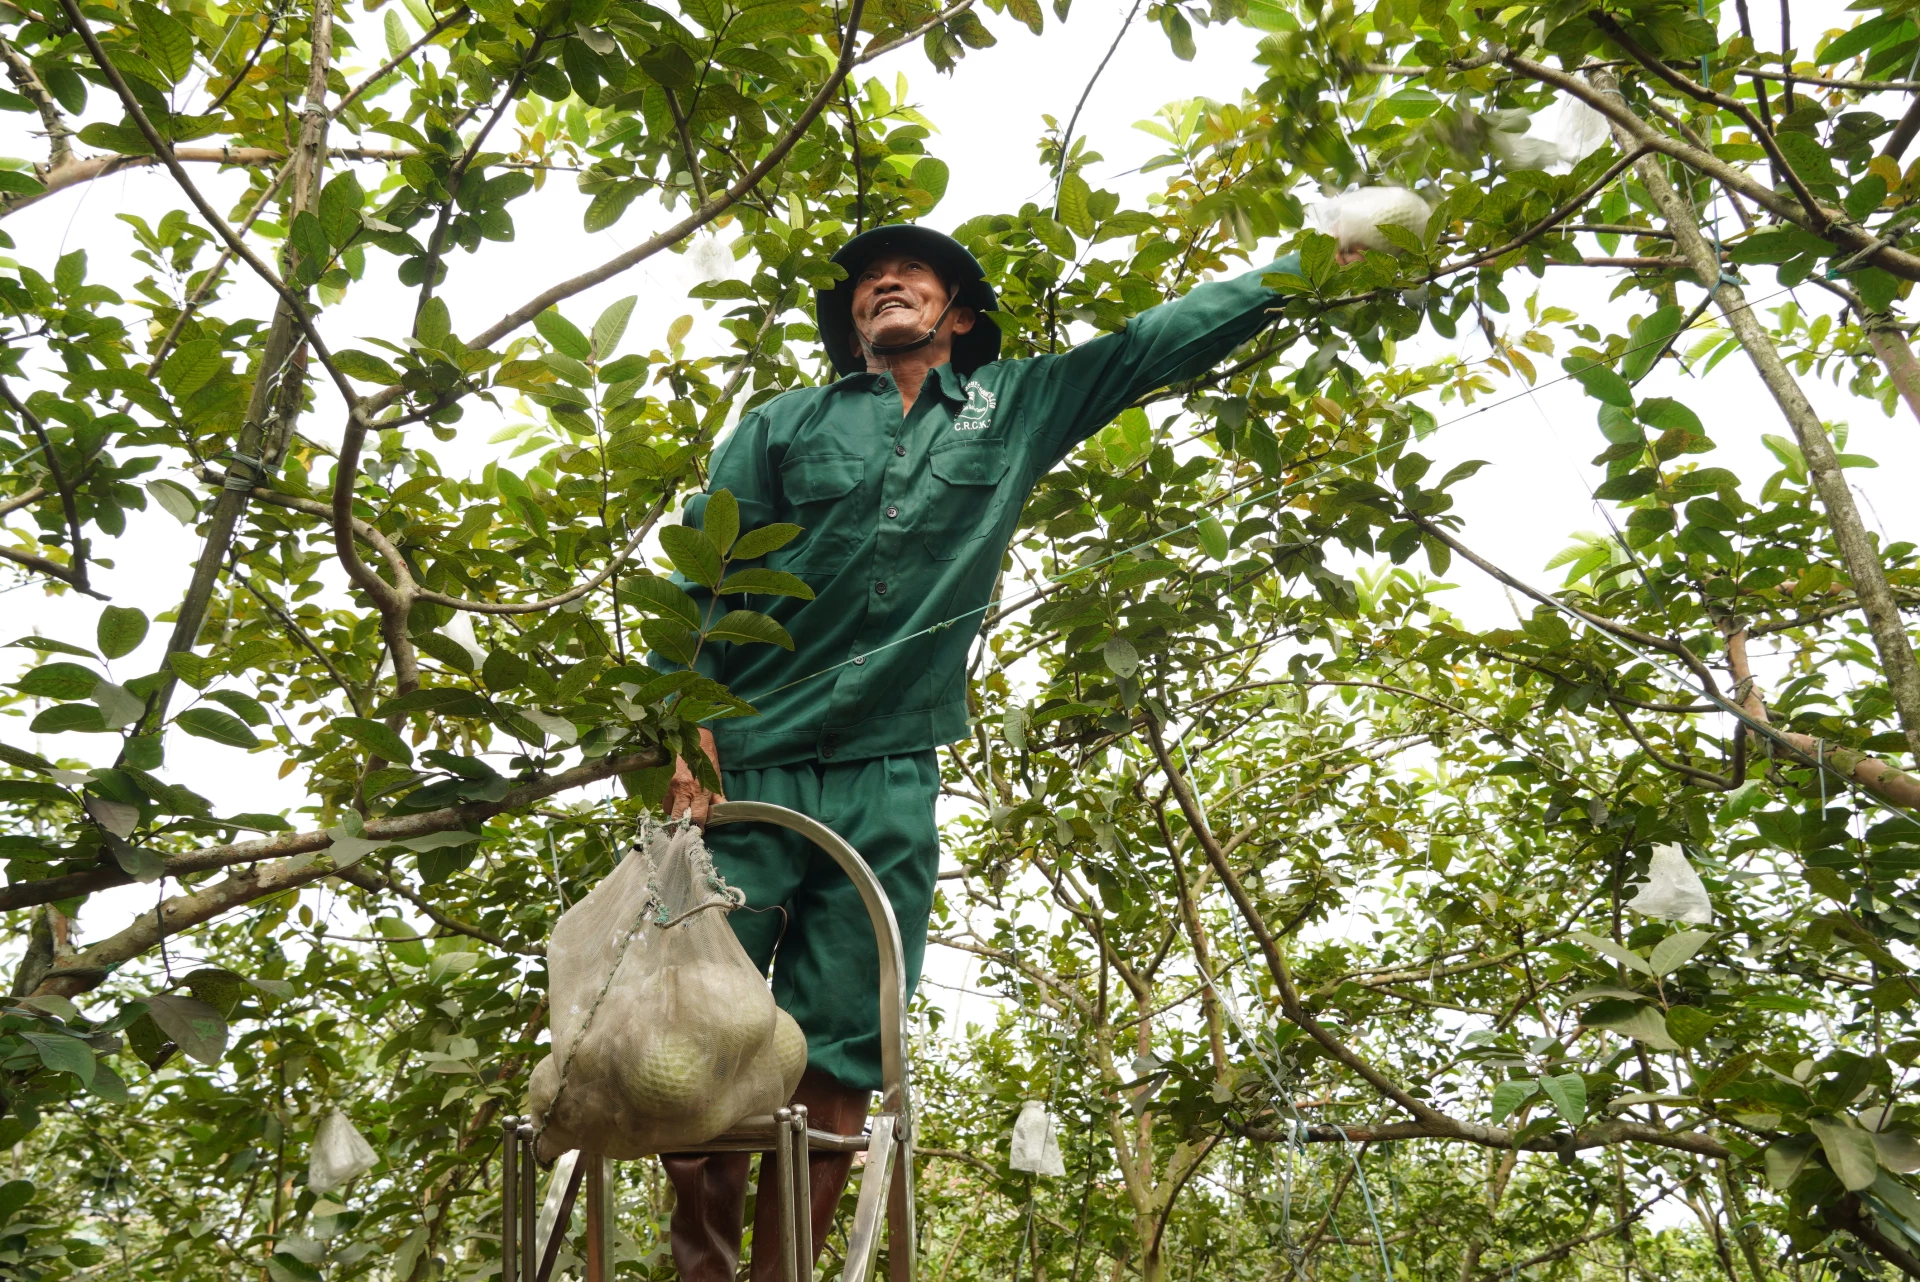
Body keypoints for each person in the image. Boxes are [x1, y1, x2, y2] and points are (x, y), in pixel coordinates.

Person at [656, 223, 1307, 1278]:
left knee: (843, 1039)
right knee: (703, 1024)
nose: (885, 285)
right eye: (867, 281)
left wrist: (1312, 258)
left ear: (959, 313)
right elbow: (701, 574)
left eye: (911, 274)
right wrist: (683, 734)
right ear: (851, 319)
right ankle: (701, 1270)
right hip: (750, 758)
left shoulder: (1016, 410)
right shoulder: (784, 423)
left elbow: (1154, 340)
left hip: (893, 772)